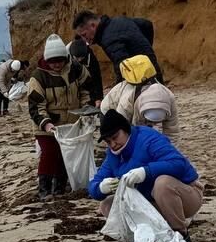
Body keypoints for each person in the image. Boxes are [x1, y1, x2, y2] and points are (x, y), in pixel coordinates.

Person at [89, 110, 203, 240]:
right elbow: (94, 184)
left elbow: (179, 164)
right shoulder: (112, 156)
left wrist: (146, 171)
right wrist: (101, 188)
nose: (113, 144)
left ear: (126, 130)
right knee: (107, 204)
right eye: (108, 141)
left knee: (162, 183)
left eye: (115, 137)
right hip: (150, 203)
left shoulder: (149, 138)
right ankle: (141, 236)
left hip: (187, 196)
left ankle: (181, 233)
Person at [27, 34, 99, 199]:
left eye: (60, 60)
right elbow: (36, 107)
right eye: (53, 62)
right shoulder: (38, 77)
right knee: (49, 153)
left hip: (72, 123)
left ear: (66, 57)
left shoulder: (76, 69)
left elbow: (86, 89)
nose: (57, 65)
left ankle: (59, 188)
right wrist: (46, 124)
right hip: (47, 125)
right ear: (47, 60)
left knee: (64, 155)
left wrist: (86, 109)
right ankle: (44, 190)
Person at [101, 55, 181, 144]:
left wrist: (169, 152)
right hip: (110, 111)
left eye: (157, 122)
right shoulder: (127, 100)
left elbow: (172, 132)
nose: (155, 125)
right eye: (149, 121)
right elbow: (120, 127)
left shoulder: (169, 97)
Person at [72, 11, 163, 84]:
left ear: (93, 25)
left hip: (144, 81)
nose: (84, 39)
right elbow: (146, 24)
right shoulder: (119, 20)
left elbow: (123, 67)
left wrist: (118, 90)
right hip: (153, 71)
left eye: (84, 34)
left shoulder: (108, 38)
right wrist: (146, 52)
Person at [68, 38, 104, 105]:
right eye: (77, 58)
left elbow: (96, 77)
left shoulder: (90, 56)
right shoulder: (64, 56)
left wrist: (98, 98)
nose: (79, 60)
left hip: (86, 81)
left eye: (81, 58)